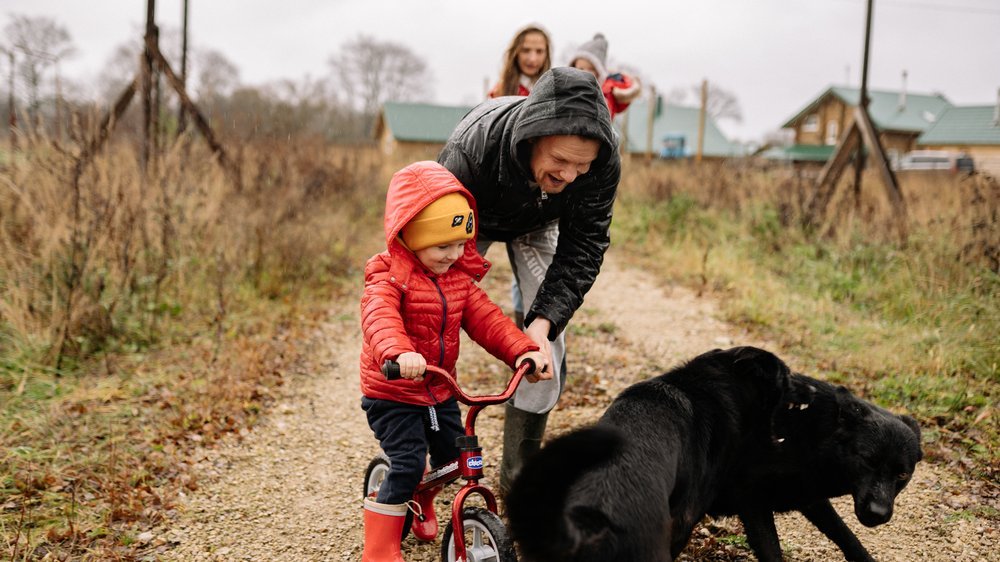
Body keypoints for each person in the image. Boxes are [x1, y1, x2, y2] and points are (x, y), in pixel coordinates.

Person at [438, 66, 621, 495]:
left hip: (539, 221)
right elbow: (428, 236)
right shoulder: (472, 151)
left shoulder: (603, 162)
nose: (570, 176)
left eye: (582, 165)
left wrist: (541, 324)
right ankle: (422, 444)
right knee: (433, 315)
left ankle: (518, 476)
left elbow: (585, 246)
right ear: (532, 137)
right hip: (467, 217)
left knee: (548, 340)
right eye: (559, 161)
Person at [359, 161, 550, 561]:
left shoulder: (458, 280)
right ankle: (379, 550)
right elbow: (380, 320)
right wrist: (399, 353)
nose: (454, 254)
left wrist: (523, 350)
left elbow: (488, 321)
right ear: (410, 236)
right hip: (394, 392)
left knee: (450, 459)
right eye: (442, 245)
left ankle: (421, 498)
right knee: (409, 462)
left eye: (461, 243)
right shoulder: (389, 279)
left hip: (439, 390)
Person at [568, 33, 642, 119]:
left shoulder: (606, 92)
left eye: (590, 69)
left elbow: (623, 93)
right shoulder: (569, 88)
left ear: (599, 71)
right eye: (581, 68)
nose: (584, 72)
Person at [488, 24, 552, 98]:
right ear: (515, 53)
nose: (532, 59)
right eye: (525, 50)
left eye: (539, 51)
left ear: (547, 54)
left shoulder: (555, 90)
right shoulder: (499, 93)